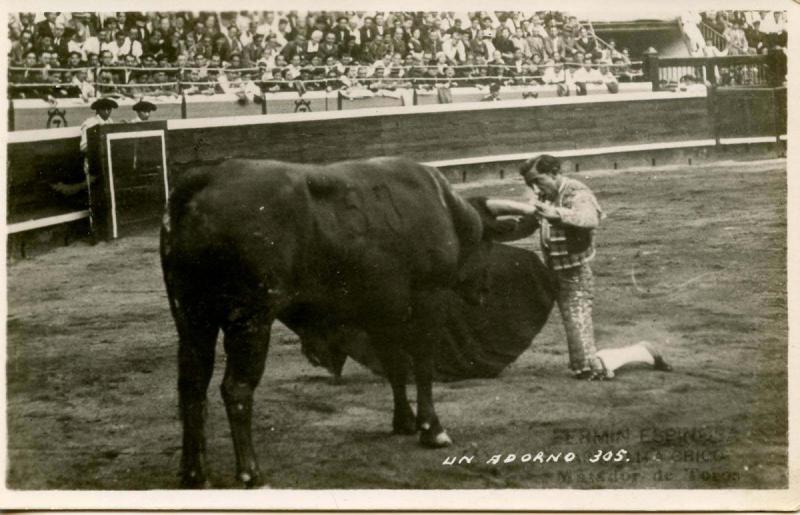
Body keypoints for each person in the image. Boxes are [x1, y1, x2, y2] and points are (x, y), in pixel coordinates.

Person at [485, 154, 671, 380]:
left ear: (554, 173)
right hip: (550, 274)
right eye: (530, 184)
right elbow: (524, 228)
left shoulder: (577, 192)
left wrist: (557, 214)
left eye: (538, 181)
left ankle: (643, 351)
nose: (534, 189)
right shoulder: (546, 194)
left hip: (575, 278)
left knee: (586, 366)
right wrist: (485, 233)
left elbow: (588, 218)